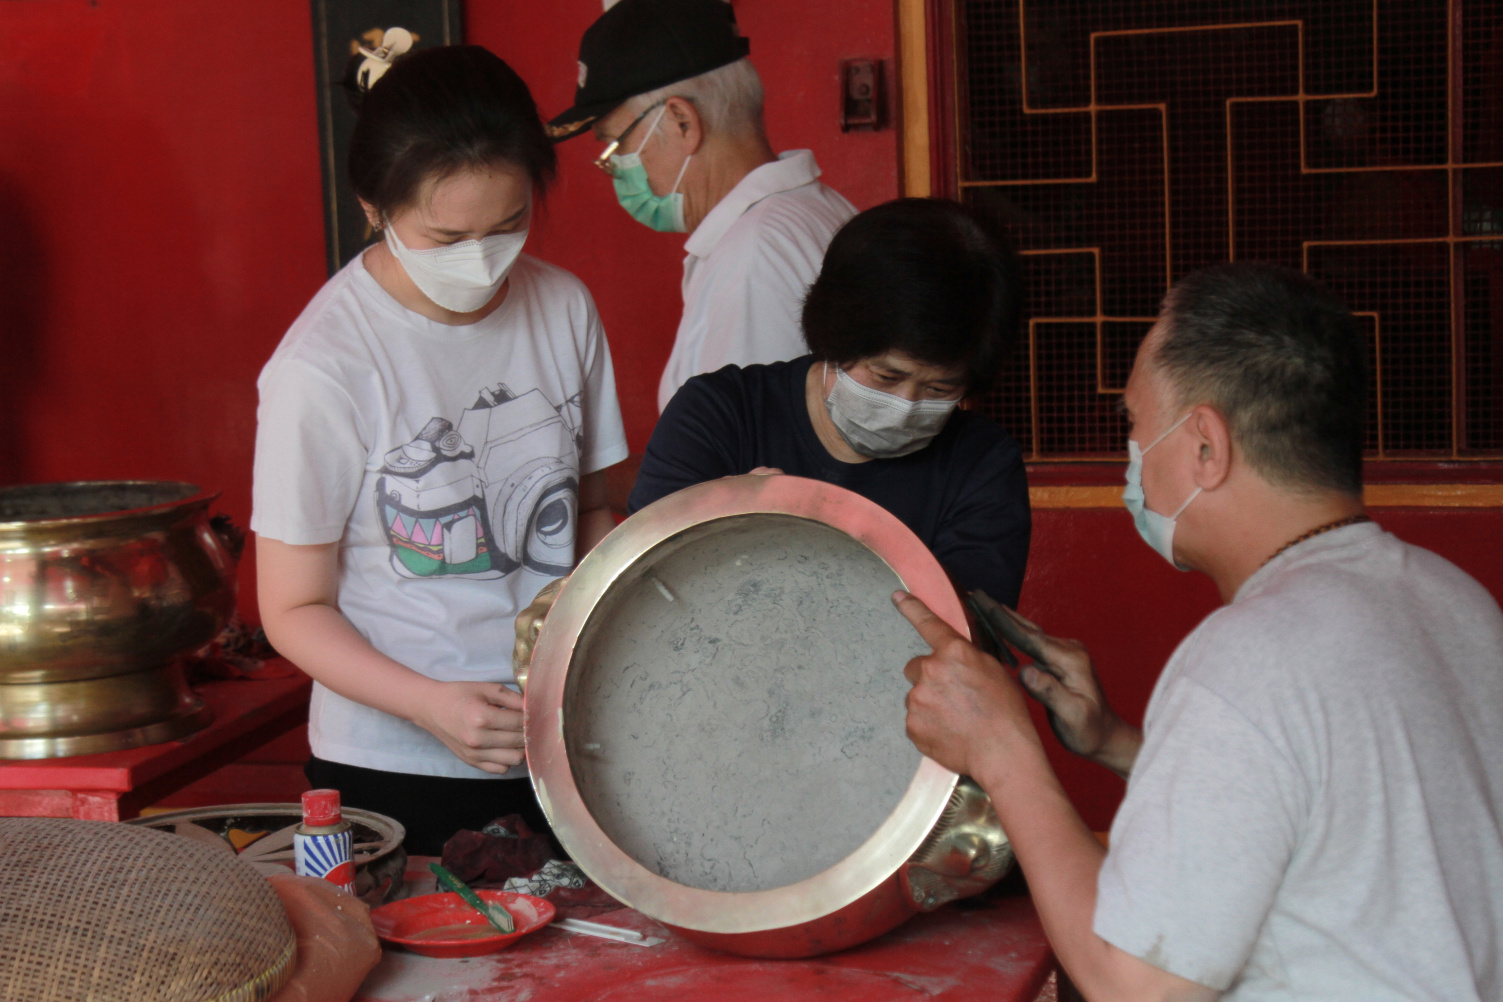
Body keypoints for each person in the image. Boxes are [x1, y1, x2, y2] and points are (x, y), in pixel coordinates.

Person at [897, 263, 1503, 1000]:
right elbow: (1325, 814)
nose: (1131, 454)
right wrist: (1116, 743)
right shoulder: (1457, 603)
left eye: (1134, 423)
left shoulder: (1249, 654)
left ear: (1206, 447)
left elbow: (1136, 984)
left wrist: (1002, 752)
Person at [253, 46, 629, 856]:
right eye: (446, 234)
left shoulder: (562, 307)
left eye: (509, 225)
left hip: (571, 737)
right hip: (394, 764)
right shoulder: (324, 366)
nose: (482, 258)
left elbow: (594, 509)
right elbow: (291, 608)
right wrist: (427, 702)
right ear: (374, 207)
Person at [628, 198, 1030, 608]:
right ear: (835, 339)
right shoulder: (717, 415)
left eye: (939, 390)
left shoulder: (983, 465)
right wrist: (732, 530)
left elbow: (965, 639)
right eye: (886, 376)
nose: (905, 405)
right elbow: (643, 593)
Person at [546, 0, 856, 412]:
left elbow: (748, 459)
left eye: (614, 144)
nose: (614, 166)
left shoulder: (754, 259)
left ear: (681, 122)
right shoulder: (812, 211)